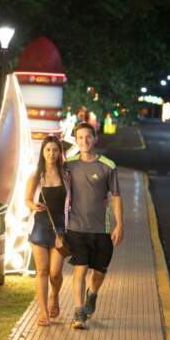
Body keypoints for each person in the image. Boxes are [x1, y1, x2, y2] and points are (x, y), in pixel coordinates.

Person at [65, 121, 124, 329]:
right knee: (80, 269)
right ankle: (79, 312)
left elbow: (116, 196)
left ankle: (93, 293)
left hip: (102, 228)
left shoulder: (108, 165)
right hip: (76, 227)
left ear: (95, 139)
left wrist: (119, 225)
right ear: (75, 140)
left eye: (88, 137)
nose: (84, 141)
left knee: (99, 271)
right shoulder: (68, 165)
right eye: (80, 137)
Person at [25, 135, 70, 327]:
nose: (51, 153)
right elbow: (26, 199)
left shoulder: (66, 175)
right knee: (42, 271)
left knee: (55, 273)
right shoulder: (36, 176)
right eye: (48, 150)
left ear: (60, 153)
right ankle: (44, 312)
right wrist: (34, 206)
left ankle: (55, 296)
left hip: (60, 228)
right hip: (40, 227)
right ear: (42, 152)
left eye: (55, 150)